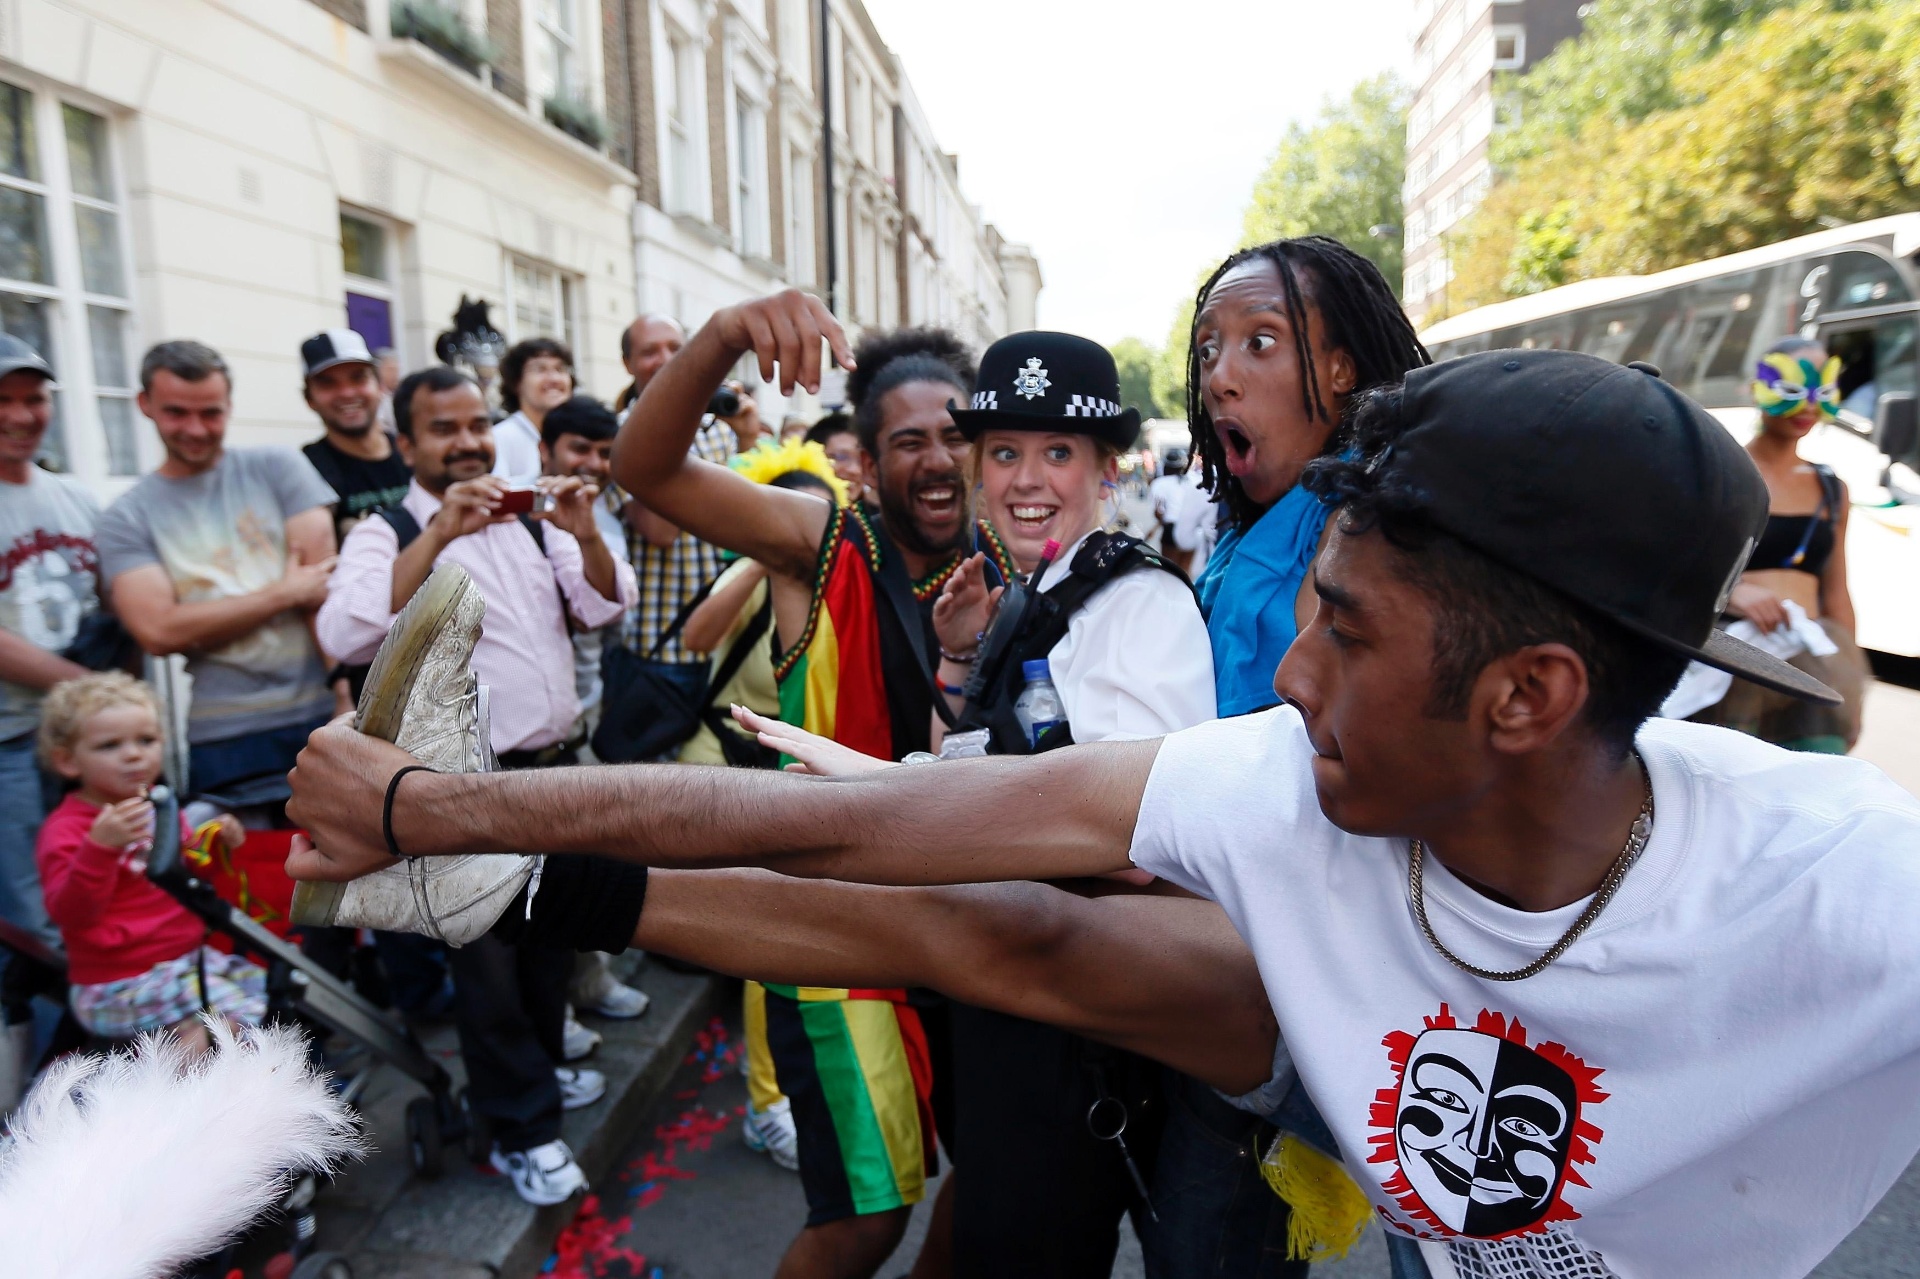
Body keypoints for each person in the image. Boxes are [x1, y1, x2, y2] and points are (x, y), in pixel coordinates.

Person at [289, 348, 1920, 1279]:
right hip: (1321, 1152)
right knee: (1027, 942)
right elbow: (900, 850)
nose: (1282, 674)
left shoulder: (1850, 889)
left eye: (1344, 629)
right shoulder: (1284, 783)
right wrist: (453, 822)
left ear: (1529, 696)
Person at [612, 303, 1005, 1279]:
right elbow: (646, 470)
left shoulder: (1010, 551)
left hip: (973, 915)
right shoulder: (820, 541)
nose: (936, 456)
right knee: (865, 1216)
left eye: (956, 434)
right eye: (907, 439)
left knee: (1003, 1178)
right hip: (837, 926)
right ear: (867, 465)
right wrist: (724, 337)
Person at [315, 365, 637, 1205]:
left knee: (547, 944)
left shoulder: (529, 522)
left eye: (474, 425)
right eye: (441, 429)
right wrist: (439, 537)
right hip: (463, 787)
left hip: (553, 771)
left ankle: (535, 1075)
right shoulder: (387, 529)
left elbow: (606, 606)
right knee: (488, 968)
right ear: (408, 442)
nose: (464, 442)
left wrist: (587, 529)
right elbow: (346, 627)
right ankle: (520, 1128)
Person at [96, 341, 339, 798]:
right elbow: (159, 631)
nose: (195, 429)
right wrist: (283, 594)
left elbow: (322, 587)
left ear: (229, 405)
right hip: (225, 731)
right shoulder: (126, 516)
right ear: (145, 405)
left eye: (211, 413)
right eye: (176, 413)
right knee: (246, 866)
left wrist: (344, 695)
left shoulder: (279, 467)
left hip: (325, 710)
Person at [36, 672, 262, 1055]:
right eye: (110, 745)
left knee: (263, 986)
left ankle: (183, 1078)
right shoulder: (67, 830)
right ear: (68, 761)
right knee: (235, 1014)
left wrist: (216, 845)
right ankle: (164, 1096)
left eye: (146, 740)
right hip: (116, 983)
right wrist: (99, 849)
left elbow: (188, 878)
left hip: (181, 961)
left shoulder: (161, 807)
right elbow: (70, 913)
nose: (134, 754)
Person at [535, 394, 653, 1028]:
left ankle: (590, 983)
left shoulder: (603, 513)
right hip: (533, 731)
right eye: (579, 449)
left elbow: (610, 611)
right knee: (543, 878)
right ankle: (560, 1014)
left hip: (587, 712)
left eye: (606, 453)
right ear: (544, 451)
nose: (593, 464)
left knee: (586, 863)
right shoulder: (522, 518)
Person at [1691, 337, 1869, 752]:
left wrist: (1851, 684)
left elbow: (1836, 591)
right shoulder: (1723, 472)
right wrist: (1734, 593)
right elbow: (1676, 566)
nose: (1807, 405)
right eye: (1793, 389)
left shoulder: (1831, 488)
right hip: (1732, 661)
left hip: (1809, 669)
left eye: (1821, 390)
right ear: (1758, 387)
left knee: (1818, 787)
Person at [0, 335, 94, 962]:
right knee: (32, 920)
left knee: (96, 892)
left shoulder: (76, 499)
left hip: (89, 742)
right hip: (10, 742)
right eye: (2, 399)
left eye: (34, 398)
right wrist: (88, 690)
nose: (21, 414)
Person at [298, 329, 411, 540]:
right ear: (309, 398)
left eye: (358, 378)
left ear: (380, 386)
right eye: (328, 383)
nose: (347, 393)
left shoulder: (414, 452)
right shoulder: (305, 472)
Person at [492, 338, 575, 484]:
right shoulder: (500, 438)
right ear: (516, 383)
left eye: (560, 369)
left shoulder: (577, 435)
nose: (554, 379)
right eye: (540, 370)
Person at [614, 314, 686, 415]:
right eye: (650, 352)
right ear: (627, 363)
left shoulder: (711, 418)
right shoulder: (621, 429)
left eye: (675, 348)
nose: (667, 360)